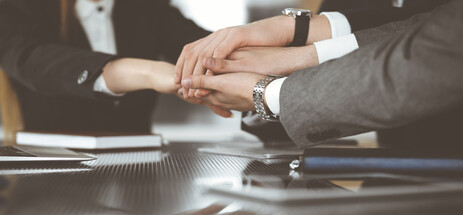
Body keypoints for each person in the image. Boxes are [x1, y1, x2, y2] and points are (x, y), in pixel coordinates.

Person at [179, 0, 463, 149]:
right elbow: (427, 26)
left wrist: (268, 93)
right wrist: (296, 37)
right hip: (396, 175)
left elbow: (426, 58)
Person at [0, 0, 231, 137]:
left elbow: (207, 51)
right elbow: (35, 63)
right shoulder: (18, 9)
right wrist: (151, 73)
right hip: (51, 180)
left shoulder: (148, 8)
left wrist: (255, 88)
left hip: (140, 176)